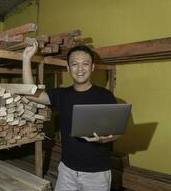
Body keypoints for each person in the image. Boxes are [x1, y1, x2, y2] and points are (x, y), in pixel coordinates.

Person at [23, 40, 120, 191]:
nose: (80, 69)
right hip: (67, 171)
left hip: (96, 174)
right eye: (74, 64)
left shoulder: (105, 96)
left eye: (85, 64)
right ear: (68, 68)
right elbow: (31, 94)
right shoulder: (62, 94)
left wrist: (103, 139)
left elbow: (117, 132)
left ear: (92, 67)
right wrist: (26, 59)